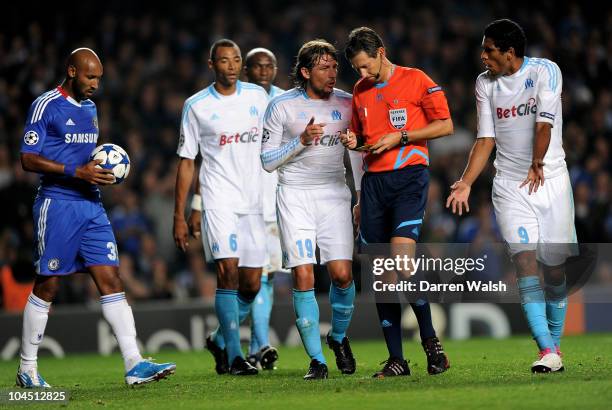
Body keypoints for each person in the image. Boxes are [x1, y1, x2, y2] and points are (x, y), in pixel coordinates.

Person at [17, 48, 175, 388]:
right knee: (48, 285)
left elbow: (85, 156)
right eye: (90, 77)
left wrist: (103, 170)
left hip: (91, 205)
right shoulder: (45, 105)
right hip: (57, 204)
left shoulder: (90, 109)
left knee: (111, 279)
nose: (96, 85)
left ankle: (134, 362)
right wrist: (77, 171)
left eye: (99, 79)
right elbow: (28, 159)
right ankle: (27, 369)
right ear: (72, 71)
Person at [446, 19, 575, 373]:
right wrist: (466, 181)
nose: (483, 56)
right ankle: (548, 350)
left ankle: (555, 346)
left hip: (551, 179)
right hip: (509, 184)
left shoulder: (546, 71)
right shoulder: (484, 84)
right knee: (524, 262)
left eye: (489, 50)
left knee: (555, 269)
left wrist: (537, 162)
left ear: (509, 52)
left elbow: (544, 123)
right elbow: (485, 138)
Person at [342, 27, 453, 378]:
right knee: (381, 273)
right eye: (356, 69)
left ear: (381, 52)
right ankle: (396, 360)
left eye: (365, 66)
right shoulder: (360, 91)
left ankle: (431, 341)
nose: (362, 75)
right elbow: (365, 140)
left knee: (402, 261)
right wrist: (353, 140)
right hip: (374, 184)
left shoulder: (416, 79)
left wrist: (401, 136)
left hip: (409, 178)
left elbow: (445, 125)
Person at [261, 39, 363, 380]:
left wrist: (360, 195)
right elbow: (266, 161)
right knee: (304, 275)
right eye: (324, 67)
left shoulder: (348, 103)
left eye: (335, 67)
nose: (332, 73)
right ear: (305, 72)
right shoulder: (282, 107)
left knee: (343, 275)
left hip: (335, 195)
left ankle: (336, 338)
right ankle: (317, 360)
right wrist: (299, 142)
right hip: (295, 196)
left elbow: (358, 153)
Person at [173, 39, 268, 376]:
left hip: (254, 202)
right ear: (211, 64)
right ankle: (235, 355)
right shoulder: (196, 105)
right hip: (218, 200)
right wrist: (182, 214)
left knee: (252, 284)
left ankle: (217, 339)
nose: (232, 65)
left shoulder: (258, 97)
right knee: (227, 271)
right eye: (225, 60)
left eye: (237, 59)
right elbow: (187, 162)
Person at [243, 47, 285, 370]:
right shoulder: (238, 103)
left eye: (269, 66)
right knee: (255, 276)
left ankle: (256, 346)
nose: (264, 71)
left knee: (268, 277)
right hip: (246, 201)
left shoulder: (285, 101)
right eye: (257, 67)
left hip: (277, 200)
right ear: (247, 71)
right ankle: (260, 343)